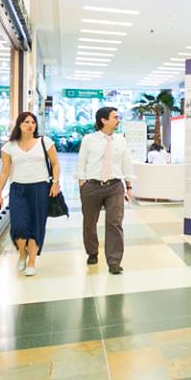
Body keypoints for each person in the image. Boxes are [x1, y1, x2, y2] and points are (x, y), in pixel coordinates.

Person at [0, 112, 61, 276]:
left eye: (33, 122)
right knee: (18, 226)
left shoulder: (45, 142)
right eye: (26, 122)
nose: (30, 125)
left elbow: (55, 164)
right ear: (19, 125)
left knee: (36, 225)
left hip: (40, 188)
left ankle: (31, 261)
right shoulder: (9, 146)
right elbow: (4, 172)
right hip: (18, 189)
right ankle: (22, 254)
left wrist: (55, 183)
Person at [77, 107, 134, 275]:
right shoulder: (89, 139)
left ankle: (114, 261)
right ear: (103, 120)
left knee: (114, 223)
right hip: (92, 186)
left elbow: (126, 163)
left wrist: (128, 185)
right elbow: (82, 161)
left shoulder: (121, 140)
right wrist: (82, 183)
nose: (118, 120)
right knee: (89, 222)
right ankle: (92, 252)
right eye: (115, 117)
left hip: (115, 186)